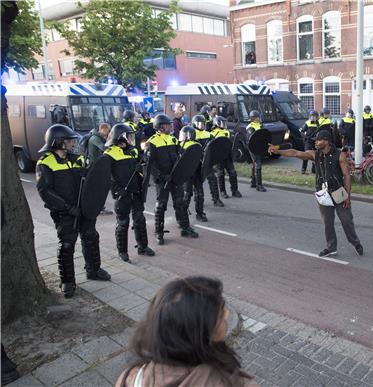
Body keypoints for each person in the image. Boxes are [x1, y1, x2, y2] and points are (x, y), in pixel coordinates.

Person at [115, 276, 258, 387]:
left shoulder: (131, 378)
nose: (227, 314)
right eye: (220, 314)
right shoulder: (226, 382)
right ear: (198, 335)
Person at [36, 124, 111, 298]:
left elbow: (90, 179)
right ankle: (67, 281)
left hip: (83, 208)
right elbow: (45, 192)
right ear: (59, 142)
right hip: (64, 212)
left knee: (91, 236)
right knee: (67, 244)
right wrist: (67, 208)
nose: (72, 144)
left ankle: (93, 269)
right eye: (69, 141)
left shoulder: (77, 159)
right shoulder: (45, 163)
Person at [269, 130, 364, 257]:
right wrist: (278, 151)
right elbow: (296, 153)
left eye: (318, 140)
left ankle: (355, 242)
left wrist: (347, 196)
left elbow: (347, 175)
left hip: (338, 191)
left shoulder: (340, 155)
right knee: (327, 222)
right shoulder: (315, 154)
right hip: (322, 192)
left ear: (326, 141)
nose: (316, 143)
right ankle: (331, 247)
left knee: (346, 220)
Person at [103, 123, 155, 263]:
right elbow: (106, 177)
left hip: (135, 191)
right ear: (120, 138)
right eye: (129, 136)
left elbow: (140, 168)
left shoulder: (133, 151)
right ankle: (122, 251)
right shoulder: (109, 154)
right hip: (122, 194)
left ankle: (143, 247)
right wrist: (118, 191)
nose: (132, 139)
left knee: (139, 219)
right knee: (123, 223)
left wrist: (143, 163)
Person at [146, 114, 198, 245]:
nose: (170, 126)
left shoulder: (173, 139)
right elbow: (149, 165)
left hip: (175, 177)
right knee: (161, 206)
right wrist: (161, 176)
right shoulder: (151, 142)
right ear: (161, 127)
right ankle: (159, 232)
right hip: (162, 180)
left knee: (180, 203)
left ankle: (185, 227)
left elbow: (180, 156)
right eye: (168, 125)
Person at [185, 115, 212, 221]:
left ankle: (199, 213)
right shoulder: (182, 145)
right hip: (187, 172)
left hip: (197, 169)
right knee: (187, 194)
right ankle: (182, 215)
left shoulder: (205, 136)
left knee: (200, 193)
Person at [211, 116, 242, 199]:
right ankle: (222, 191)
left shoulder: (227, 132)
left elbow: (231, 144)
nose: (224, 124)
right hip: (219, 157)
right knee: (220, 174)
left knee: (233, 172)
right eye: (222, 122)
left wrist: (235, 152)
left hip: (227, 156)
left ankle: (234, 190)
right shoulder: (213, 134)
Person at [247, 110, 267, 192]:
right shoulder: (250, 127)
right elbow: (252, 139)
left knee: (255, 164)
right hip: (253, 148)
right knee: (258, 164)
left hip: (259, 147)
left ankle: (253, 182)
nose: (259, 118)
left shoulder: (260, 125)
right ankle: (259, 185)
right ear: (254, 118)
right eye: (258, 117)